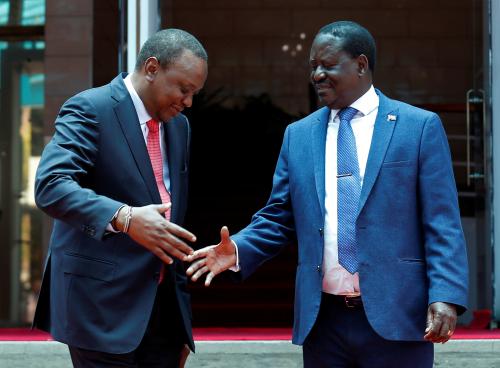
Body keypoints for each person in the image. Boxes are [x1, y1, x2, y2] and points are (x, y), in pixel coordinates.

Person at [186, 21, 468, 367]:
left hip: (397, 315)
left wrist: (445, 295)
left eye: (327, 64)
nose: (317, 74)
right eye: (313, 66)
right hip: (324, 323)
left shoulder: (418, 127)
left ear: (361, 65)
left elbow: (442, 221)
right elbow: (279, 217)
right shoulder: (299, 135)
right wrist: (239, 250)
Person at [33, 29, 208, 367]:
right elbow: (51, 184)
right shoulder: (91, 108)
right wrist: (125, 217)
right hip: (99, 309)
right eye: (184, 89)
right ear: (152, 68)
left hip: (161, 316)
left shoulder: (179, 127)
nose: (188, 101)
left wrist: (179, 326)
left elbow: (171, 222)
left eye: (194, 93)